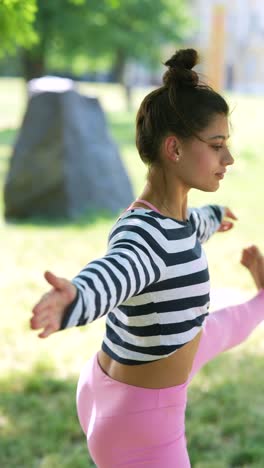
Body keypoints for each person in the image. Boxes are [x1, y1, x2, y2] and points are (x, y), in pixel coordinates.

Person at [30, 49, 264, 467]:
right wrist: (76, 300)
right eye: (216, 145)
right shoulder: (147, 238)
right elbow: (116, 272)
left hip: (113, 385)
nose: (228, 159)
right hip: (140, 424)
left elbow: (185, 230)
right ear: (174, 148)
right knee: (213, 329)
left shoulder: (167, 220)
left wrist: (212, 216)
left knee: (217, 327)